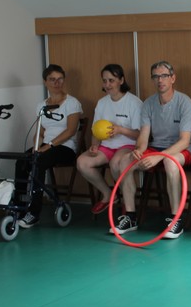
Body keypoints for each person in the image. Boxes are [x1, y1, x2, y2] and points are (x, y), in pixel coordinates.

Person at [112, 61, 191, 239]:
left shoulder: (185, 102)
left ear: (172, 78)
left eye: (164, 76)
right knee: (126, 160)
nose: (160, 80)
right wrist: (139, 150)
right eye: (156, 77)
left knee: (170, 162)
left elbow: (184, 141)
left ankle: (176, 219)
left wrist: (158, 157)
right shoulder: (148, 104)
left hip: (184, 148)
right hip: (157, 147)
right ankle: (130, 217)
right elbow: (144, 136)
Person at [15, 64, 83, 228]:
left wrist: (49, 145)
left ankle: (34, 213)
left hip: (65, 148)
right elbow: (40, 131)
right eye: (52, 79)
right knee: (22, 161)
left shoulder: (72, 103)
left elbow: (71, 130)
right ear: (45, 82)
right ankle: (19, 207)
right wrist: (36, 146)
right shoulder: (41, 105)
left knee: (38, 162)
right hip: (47, 146)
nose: (56, 83)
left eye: (60, 79)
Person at [76, 64, 142, 215]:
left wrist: (120, 130)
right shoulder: (102, 103)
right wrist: (94, 145)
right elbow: (96, 130)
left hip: (128, 145)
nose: (107, 85)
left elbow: (140, 134)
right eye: (104, 81)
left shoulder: (134, 103)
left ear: (121, 80)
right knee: (82, 162)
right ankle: (109, 195)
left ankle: (127, 202)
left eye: (111, 80)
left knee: (116, 164)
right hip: (106, 147)